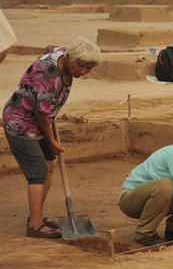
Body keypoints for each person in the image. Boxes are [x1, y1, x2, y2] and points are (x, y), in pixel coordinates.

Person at [2, 37, 102, 238]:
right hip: (20, 121)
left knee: (50, 165)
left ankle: (36, 215)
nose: (83, 72)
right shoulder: (48, 76)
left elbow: (50, 46)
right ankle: (35, 225)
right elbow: (41, 114)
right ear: (69, 58)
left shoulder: (65, 52)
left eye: (88, 68)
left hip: (39, 119)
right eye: (81, 66)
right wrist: (52, 140)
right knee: (37, 172)